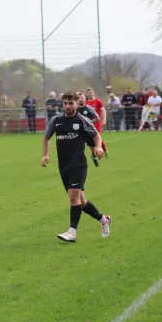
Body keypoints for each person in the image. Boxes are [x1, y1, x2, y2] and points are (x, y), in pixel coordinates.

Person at [41, 91, 112, 243]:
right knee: (81, 201)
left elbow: (96, 135)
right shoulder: (56, 120)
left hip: (78, 164)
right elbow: (46, 138)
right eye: (65, 103)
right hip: (63, 165)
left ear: (76, 103)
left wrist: (98, 147)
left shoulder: (82, 120)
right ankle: (103, 219)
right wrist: (45, 155)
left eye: (71, 103)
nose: (67, 106)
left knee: (73, 199)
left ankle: (72, 232)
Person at [76, 91, 101, 167]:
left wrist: (90, 121)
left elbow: (97, 118)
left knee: (92, 148)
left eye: (82, 98)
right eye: (79, 98)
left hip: (88, 131)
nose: (80, 99)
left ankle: (93, 156)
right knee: (78, 147)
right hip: (78, 132)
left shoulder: (89, 108)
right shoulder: (75, 109)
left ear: (85, 99)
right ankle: (79, 162)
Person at [86, 88, 108, 157]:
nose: (90, 94)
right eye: (88, 93)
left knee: (97, 136)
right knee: (92, 138)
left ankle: (101, 150)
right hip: (90, 122)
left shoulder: (98, 101)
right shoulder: (86, 102)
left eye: (91, 92)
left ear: (93, 93)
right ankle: (100, 150)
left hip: (97, 122)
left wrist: (103, 120)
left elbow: (103, 110)